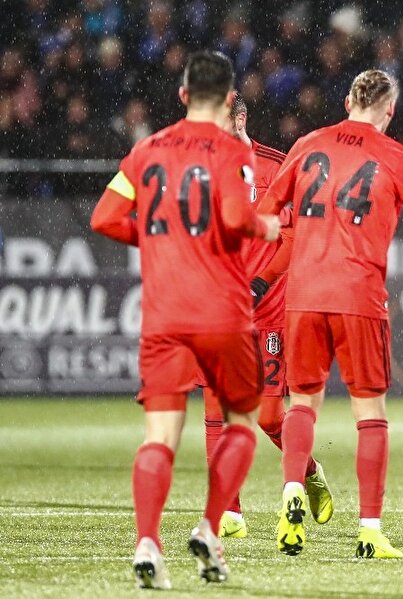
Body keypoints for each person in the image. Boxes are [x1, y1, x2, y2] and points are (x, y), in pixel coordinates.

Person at [255, 69, 403, 559]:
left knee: (303, 403)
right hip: (358, 297)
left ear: (348, 98)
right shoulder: (396, 157)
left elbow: (267, 214)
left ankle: (292, 490)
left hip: (305, 295)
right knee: (369, 414)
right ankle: (370, 531)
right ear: (390, 110)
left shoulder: (308, 143)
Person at [90, 50, 280, 589]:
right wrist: (265, 229)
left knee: (160, 437)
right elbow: (238, 217)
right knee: (243, 422)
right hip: (222, 310)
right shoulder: (230, 149)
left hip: (165, 315)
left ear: (180, 95)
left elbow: (103, 217)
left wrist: (155, 237)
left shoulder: (147, 149)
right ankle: (210, 527)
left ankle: (147, 540)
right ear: (226, 101)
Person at [200, 92, 333, 540]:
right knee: (216, 410)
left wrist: (259, 283)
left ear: (240, 116)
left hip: (269, 308)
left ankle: (309, 470)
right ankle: (228, 509)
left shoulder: (277, 167)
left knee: (270, 417)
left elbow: (294, 240)